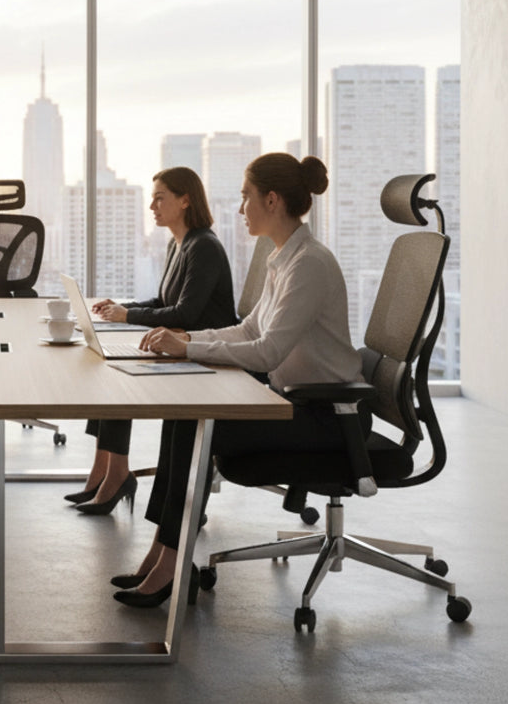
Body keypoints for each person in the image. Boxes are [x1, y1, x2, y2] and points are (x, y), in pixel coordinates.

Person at [113, 152, 366, 608]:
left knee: (192, 422)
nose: (239, 208)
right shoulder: (283, 257)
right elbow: (249, 329)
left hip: (326, 418)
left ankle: (171, 561)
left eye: (245, 197)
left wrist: (188, 347)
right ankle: (162, 551)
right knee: (181, 414)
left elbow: (267, 352)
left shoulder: (308, 264)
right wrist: (186, 337)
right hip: (296, 404)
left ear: (271, 200)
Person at [69, 167, 235, 515]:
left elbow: (186, 314)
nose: (152, 206)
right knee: (110, 370)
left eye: (160, 198)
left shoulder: (203, 246)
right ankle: (106, 472)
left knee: (117, 376)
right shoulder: (182, 243)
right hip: (179, 349)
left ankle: (114, 476)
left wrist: (127, 317)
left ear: (185, 200)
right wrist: (121, 308)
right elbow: (164, 302)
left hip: (203, 357)